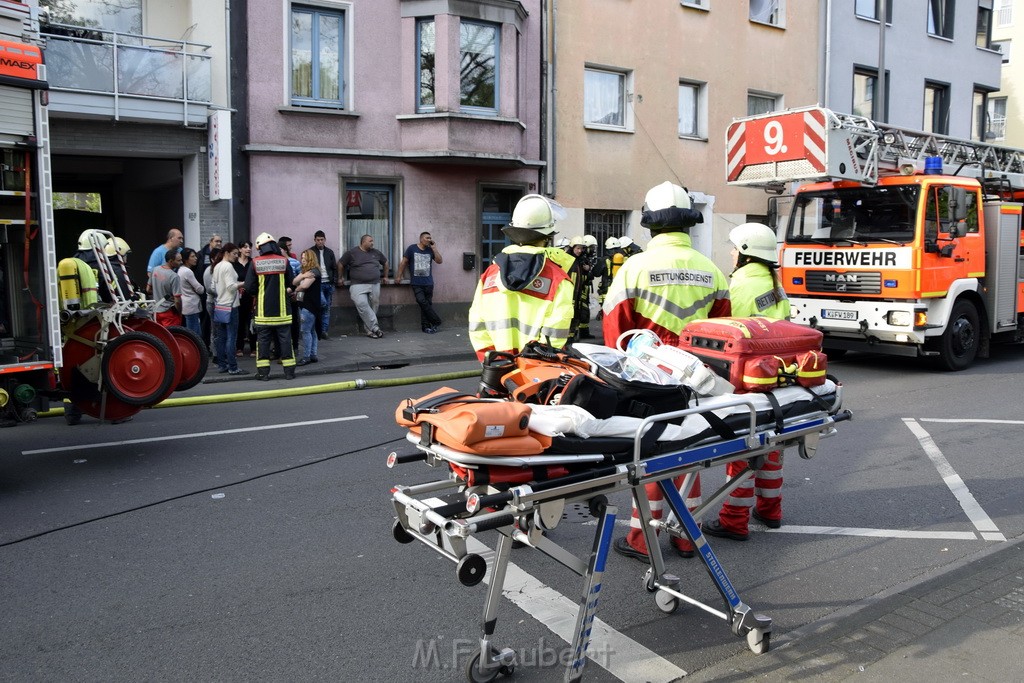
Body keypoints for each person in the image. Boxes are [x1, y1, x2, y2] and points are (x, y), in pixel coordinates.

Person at [606, 181, 731, 563]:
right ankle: (685, 536)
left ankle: (642, 539)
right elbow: (724, 331)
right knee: (690, 456)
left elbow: (615, 331)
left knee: (650, 459)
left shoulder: (634, 268)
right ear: (688, 224)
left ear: (650, 223)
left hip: (648, 381)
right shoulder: (712, 271)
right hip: (697, 378)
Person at [702, 223, 790, 542]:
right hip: (777, 375)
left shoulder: (741, 284)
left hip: (747, 378)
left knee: (742, 447)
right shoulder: (773, 283)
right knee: (772, 446)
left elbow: (729, 332)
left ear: (746, 252)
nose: (731, 253)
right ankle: (771, 510)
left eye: (735, 248)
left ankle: (734, 519)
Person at [467, 194, 576, 360]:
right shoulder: (558, 279)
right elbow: (555, 336)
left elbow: (477, 326)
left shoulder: (490, 273)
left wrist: (494, 363)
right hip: (534, 377)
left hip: (497, 372)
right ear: (547, 237)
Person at [244, 232, 297, 380]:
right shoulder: (284, 262)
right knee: (286, 342)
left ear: (260, 248)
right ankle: (289, 373)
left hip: (263, 313)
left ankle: (263, 373)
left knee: (263, 343)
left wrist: (259, 292)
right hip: (282, 312)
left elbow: (248, 287)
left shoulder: (255, 263)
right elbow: (291, 283)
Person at [340, 234, 389, 339]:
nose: (372, 243)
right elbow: (340, 264)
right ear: (363, 242)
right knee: (362, 304)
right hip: (357, 284)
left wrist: (385, 276)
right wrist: (340, 278)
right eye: (370, 241)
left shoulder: (376, 252)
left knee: (374, 306)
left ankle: (370, 331)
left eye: (372, 241)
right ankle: (375, 328)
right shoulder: (352, 253)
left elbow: (385, 263)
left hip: (375, 283)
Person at [395, 231, 443, 333]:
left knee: (426, 305)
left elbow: (439, 261)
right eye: (427, 238)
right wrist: (398, 276)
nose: (429, 240)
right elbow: (403, 262)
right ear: (421, 239)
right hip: (417, 283)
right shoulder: (412, 248)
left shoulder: (430, 250)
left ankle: (425, 326)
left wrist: (434, 249)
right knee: (422, 301)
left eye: (430, 238)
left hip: (429, 283)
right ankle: (436, 321)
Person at [212, 242, 246, 375]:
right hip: (231, 306)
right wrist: (244, 283)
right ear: (227, 253)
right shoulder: (228, 266)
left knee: (221, 337)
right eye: (235, 254)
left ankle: (222, 365)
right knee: (232, 337)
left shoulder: (217, 266)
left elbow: (214, 287)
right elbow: (231, 287)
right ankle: (233, 367)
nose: (236, 256)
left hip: (220, 305)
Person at [293, 249, 322, 366]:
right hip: (306, 304)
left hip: (309, 306)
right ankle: (312, 354)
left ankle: (306, 357)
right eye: (302, 258)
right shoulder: (306, 272)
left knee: (305, 331)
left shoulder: (314, 272)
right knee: (311, 331)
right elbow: (294, 281)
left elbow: (302, 286)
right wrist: (303, 275)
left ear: (310, 259)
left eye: (305, 258)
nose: (302, 260)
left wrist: (296, 288)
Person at [195, 234, 222, 349]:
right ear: (210, 242)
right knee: (205, 321)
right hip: (205, 293)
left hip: (218, 296)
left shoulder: (221, 256)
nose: (219, 243)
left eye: (221, 241)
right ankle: (205, 345)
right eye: (217, 241)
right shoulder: (200, 255)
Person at [311, 230, 338, 339]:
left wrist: (334, 281)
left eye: (322, 240)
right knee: (323, 305)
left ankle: (324, 331)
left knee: (326, 308)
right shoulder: (311, 252)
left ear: (325, 240)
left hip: (329, 283)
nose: (320, 242)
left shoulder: (329, 252)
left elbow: (334, 268)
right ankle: (318, 329)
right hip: (317, 283)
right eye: (318, 240)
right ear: (315, 240)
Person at [150, 249, 183, 328]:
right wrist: (180, 313)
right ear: (171, 261)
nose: (181, 262)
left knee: (160, 337)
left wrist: (159, 293)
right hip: (169, 313)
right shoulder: (174, 276)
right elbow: (177, 301)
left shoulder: (155, 270)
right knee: (173, 337)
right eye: (178, 260)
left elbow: (148, 289)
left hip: (156, 311)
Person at [234, 241, 256, 357]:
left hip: (250, 297)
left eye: (250, 247)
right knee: (239, 323)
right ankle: (239, 347)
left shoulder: (253, 263)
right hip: (238, 297)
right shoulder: (234, 264)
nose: (248, 249)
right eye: (245, 247)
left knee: (252, 322)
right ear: (240, 249)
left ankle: (253, 348)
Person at [178, 248, 206, 336]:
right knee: (195, 334)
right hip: (191, 305)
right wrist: (200, 288)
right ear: (186, 259)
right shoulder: (188, 271)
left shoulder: (180, 270)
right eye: (192, 256)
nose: (196, 258)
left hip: (185, 304)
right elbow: (200, 289)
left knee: (191, 332)